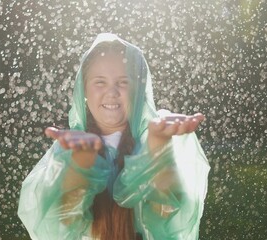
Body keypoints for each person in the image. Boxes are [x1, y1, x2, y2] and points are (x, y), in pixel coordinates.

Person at [18, 33, 210, 240]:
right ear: (83, 89)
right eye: (100, 82)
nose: (112, 92)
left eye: (123, 82)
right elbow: (63, 222)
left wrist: (158, 148)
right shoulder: (72, 147)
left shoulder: (149, 142)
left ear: (139, 89)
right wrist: (81, 163)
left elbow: (167, 213)